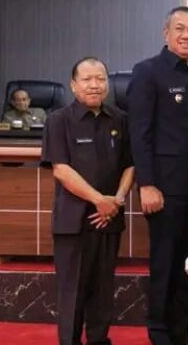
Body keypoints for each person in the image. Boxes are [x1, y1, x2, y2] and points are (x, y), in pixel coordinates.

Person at [127, 6, 188, 345]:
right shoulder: (148, 72)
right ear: (165, 33)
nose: (186, 35)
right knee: (164, 265)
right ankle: (160, 334)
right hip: (164, 188)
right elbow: (139, 133)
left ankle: (183, 335)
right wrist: (147, 183)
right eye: (179, 28)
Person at [41, 57, 135, 345]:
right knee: (73, 292)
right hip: (74, 222)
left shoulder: (121, 119)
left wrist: (117, 200)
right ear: (73, 85)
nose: (95, 85)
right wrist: (98, 200)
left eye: (101, 79)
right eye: (87, 79)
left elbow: (130, 165)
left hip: (110, 219)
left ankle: (99, 340)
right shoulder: (58, 120)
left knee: (103, 291)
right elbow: (61, 170)